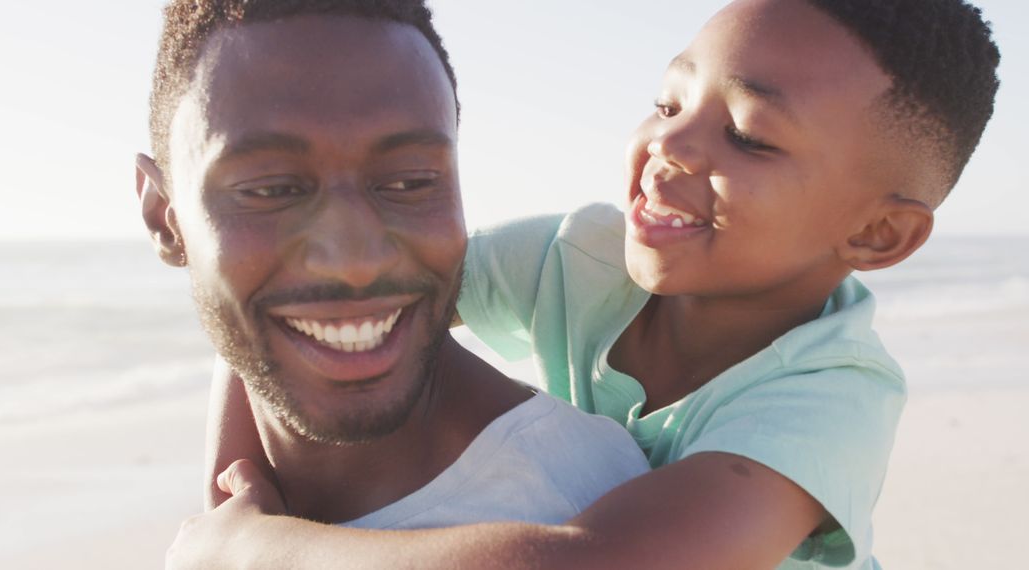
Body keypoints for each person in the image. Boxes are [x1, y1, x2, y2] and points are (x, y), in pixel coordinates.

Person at [180, 0, 1001, 568]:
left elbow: (606, 565)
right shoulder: (586, 258)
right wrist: (234, 506)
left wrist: (265, 554)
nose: (669, 144)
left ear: (875, 233)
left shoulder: (830, 394)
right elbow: (313, 303)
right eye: (668, 100)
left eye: (748, 136)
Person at [136, 0, 652, 555]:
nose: (356, 262)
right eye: (270, 189)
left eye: (409, 182)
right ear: (165, 218)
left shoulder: (579, 513)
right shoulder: (230, 523)